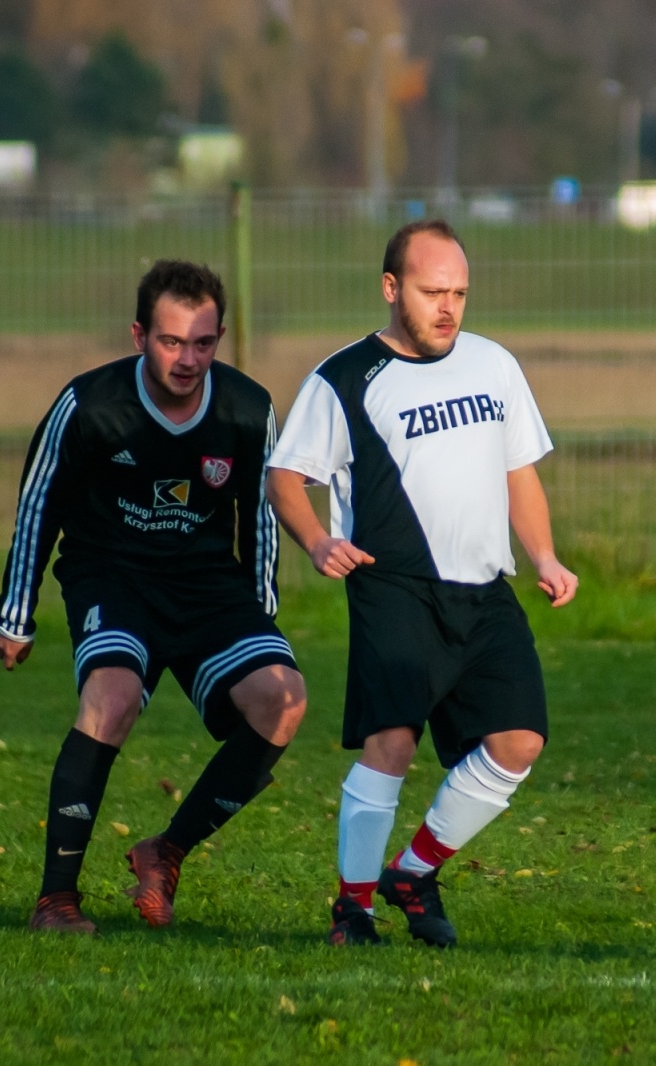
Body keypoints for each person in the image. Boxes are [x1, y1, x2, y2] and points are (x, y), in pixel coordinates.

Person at [265, 219, 578, 947]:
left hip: (486, 591)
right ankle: (353, 908)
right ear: (390, 287)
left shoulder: (494, 365)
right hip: (393, 586)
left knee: (520, 741)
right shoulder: (343, 378)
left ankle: (413, 872)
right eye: (433, 291)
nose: (448, 307)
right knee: (394, 746)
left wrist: (545, 556)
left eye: (460, 293)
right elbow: (284, 476)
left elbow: (518, 472)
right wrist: (317, 541)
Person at [0, 260, 306, 935]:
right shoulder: (90, 405)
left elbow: (258, 519)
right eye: (171, 341)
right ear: (139, 335)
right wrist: (16, 612)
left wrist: (259, 623)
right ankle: (56, 900)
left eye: (203, 343)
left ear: (220, 336)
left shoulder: (247, 410)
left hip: (204, 584)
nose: (188, 359)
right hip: (111, 574)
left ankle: (165, 853)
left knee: (283, 701)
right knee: (113, 697)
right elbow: (37, 503)